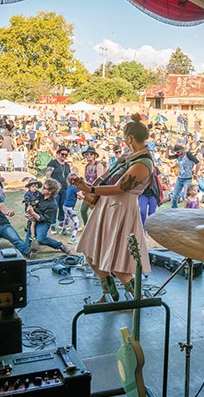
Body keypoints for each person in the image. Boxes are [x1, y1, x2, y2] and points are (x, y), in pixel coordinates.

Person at [75, 114, 153, 303]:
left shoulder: (143, 163)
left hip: (122, 209)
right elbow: (109, 176)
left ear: (129, 139)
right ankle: (110, 294)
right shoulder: (129, 156)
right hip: (108, 205)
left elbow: (120, 188)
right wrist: (90, 186)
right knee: (91, 252)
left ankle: (135, 299)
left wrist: (89, 189)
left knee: (118, 262)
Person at [25, 178, 71, 257]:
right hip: (33, 221)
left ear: (50, 191)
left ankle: (60, 246)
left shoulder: (53, 205)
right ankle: (32, 248)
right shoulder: (38, 195)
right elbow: (29, 204)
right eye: (43, 187)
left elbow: (44, 218)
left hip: (43, 223)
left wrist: (33, 213)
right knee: (26, 246)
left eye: (44, 188)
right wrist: (27, 214)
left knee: (41, 239)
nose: (42, 189)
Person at [0, 184, 29, 256]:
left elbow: (2, 207)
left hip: (3, 224)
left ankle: (28, 253)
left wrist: (8, 213)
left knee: (16, 240)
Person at [78, 146, 107, 229]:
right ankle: (87, 226)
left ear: (95, 155)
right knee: (83, 210)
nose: (89, 155)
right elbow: (85, 178)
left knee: (97, 210)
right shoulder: (86, 166)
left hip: (96, 190)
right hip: (88, 190)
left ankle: (99, 228)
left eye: (91, 154)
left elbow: (100, 179)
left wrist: (93, 189)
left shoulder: (98, 165)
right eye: (87, 154)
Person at [45, 146, 71, 233]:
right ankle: (52, 224)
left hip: (65, 188)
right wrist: (56, 183)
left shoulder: (67, 165)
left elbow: (68, 177)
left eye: (66, 155)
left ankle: (61, 223)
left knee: (63, 206)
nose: (64, 156)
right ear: (58, 154)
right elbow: (48, 176)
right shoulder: (53, 163)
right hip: (55, 189)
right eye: (62, 154)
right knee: (54, 206)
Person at [168, 144, 200, 208]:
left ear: (182, 150)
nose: (177, 153)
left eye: (178, 152)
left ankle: (187, 210)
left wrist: (196, 173)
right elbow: (168, 157)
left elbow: (198, 163)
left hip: (187, 179)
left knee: (186, 196)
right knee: (174, 196)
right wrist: (167, 149)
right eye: (176, 152)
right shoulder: (178, 155)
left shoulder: (188, 154)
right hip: (180, 178)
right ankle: (174, 209)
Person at [62, 174, 81, 243]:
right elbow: (81, 196)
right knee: (76, 222)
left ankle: (63, 231)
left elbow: (75, 195)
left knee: (67, 218)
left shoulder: (69, 187)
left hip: (65, 206)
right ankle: (72, 238)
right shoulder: (75, 188)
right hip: (69, 208)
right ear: (72, 181)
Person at [22, 179, 42, 243]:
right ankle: (32, 235)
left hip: (36, 210)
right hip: (30, 210)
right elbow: (28, 202)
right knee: (33, 222)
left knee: (34, 222)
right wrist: (34, 203)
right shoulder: (27, 194)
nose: (35, 188)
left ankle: (28, 227)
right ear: (29, 187)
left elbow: (40, 199)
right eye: (33, 186)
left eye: (36, 186)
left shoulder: (38, 193)